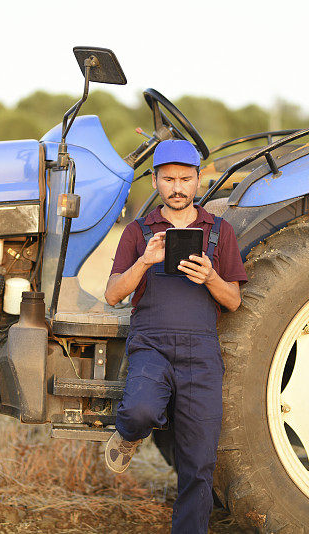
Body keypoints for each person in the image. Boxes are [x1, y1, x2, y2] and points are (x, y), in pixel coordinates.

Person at [103, 139, 248, 533]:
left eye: (186, 178)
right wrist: (144, 261)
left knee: (198, 465)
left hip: (201, 352)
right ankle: (130, 436)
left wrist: (211, 277)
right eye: (168, 179)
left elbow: (233, 300)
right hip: (151, 344)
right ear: (156, 180)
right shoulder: (138, 231)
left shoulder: (220, 232)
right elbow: (114, 293)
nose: (178, 187)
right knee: (139, 411)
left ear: (198, 180)